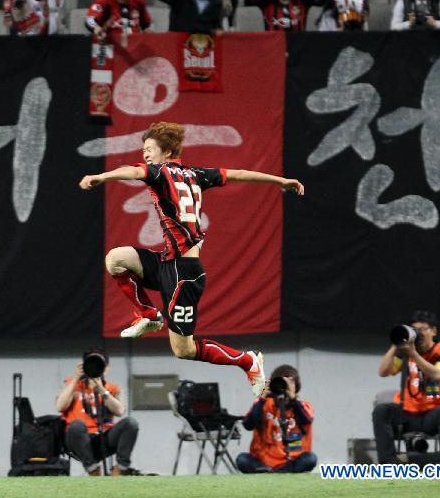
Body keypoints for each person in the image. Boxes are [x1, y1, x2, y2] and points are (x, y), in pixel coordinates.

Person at [78, 122, 305, 397]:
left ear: (167, 151)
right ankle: (149, 315)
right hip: (167, 262)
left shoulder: (159, 172)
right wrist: (281, 181)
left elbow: (131, 171)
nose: (146, 155)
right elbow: (240, 174)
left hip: (184, 274)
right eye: (144, 150)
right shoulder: (197, 174)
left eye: (150, 149)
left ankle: (247, 361)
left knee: (182, 350)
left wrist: (101, 176)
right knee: (116, 259)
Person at [373, 311, 440, 465]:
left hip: (433, 414)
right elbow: (384, 371)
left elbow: (438, 374)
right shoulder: (406, 352)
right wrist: (395, 345)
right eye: (414, 329)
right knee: (381, 410)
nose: (418, 333)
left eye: (422, 329)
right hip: (408, 413)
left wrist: (414, 355)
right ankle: (388, 461)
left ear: (434, 331)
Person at [55, 347, 141, 476]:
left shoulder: (113, 389)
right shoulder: (72, 384)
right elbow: (60, 406)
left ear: (107, 368)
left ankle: (121, 468)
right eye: (91, 363)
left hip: (103, 439)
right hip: (78, 440)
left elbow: (120, 411)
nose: (95, 367)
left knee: (131, 423)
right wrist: (76, 379)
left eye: (99, 363)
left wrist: (102, 391)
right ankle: (93, 469)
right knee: (77, 425)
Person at [236, 365, 317, 473]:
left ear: (296, 386)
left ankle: (274, 472)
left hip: (291, 461)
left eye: (288, 383)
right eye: (280, 383)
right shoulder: (263, 404)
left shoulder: (303, 406)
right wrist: (261, 398)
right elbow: (248, 424)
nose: (284, 387)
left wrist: (294, 399)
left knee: (310, 458)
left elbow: (306, 420)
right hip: (263, 462)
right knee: (242, 460)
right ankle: (275, 471)